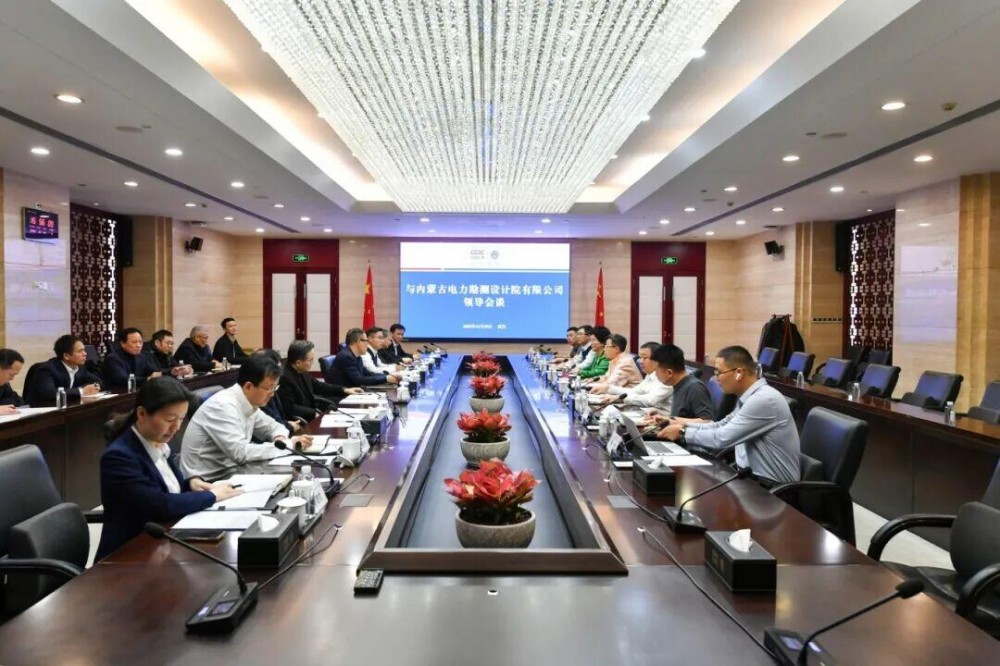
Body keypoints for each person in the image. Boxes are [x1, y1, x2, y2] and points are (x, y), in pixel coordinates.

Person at [96, 377, 242, 560]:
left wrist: (190, 484)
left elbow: (166, 487)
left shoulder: (158, 441)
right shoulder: (119, 457)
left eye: (181, 419)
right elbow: (158, 505)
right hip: (128, 555)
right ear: (142, 414)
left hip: (162, 544)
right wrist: (212, 496)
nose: (176, 427)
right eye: (170, 419)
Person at [658, 346, 800, 485]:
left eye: (719, 372)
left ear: (739, 373)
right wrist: (679, 424)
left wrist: (683, 432)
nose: (716, 378)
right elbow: (720, 425)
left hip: (772, 488)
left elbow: (722, 438)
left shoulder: (763, 400)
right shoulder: (750, 397)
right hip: (749, 477)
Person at [181, 354, 312, 477]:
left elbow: (273, 426)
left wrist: (280, 439)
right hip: (209, 480)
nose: (272, 394)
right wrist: (288, 445)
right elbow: (240, 453)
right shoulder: (224, 406)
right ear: (249, 386)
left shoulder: (248, 401)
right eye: (269, 388)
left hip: (234, 472)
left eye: (274, 388)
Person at [278, 339, 360, 422]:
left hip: (310, 413)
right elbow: (290, 408)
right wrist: (313, 413)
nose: (312, 363)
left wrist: (344, 390)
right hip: (299, 421)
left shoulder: (301, 370)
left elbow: (318, 386)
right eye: (310, 360)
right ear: (298, 363)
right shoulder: (284, 378)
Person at [23, 335, 103, 404]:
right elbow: (50, 393)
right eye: (80, 351)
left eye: (84, 350)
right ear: (66, 356)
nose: (85, 354)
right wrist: (82, 391)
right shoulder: (47, 369)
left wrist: (94, 387)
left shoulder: (80, 368)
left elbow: (98, 381)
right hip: (41, 412)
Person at [644, 344, 716, 421]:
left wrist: (672, 420)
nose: (655, 374)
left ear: (669, 373)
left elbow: (707, 421)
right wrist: (663, 415)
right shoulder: (678, 384)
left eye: (656, 370)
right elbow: (683, 415)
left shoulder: (694, 388)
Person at [591, 342, 672, 410]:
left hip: (664, 418)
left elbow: (650, 400)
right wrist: (608, 388)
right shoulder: (650, 375)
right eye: (640, 357)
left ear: (657, 360)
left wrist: (621, 398)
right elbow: (634, 391)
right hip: (649, 413)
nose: (640, 361)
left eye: (644, 358)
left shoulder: (667, 377)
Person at [330, 328, 400, 388]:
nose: (368, 343)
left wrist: (387, 376)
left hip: (355, 391)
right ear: (359, 342)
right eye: (366, 341)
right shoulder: (346, 357)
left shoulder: (357, 356)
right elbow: (358, 380)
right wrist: (385, 378)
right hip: (344, 396)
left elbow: (367, 373)